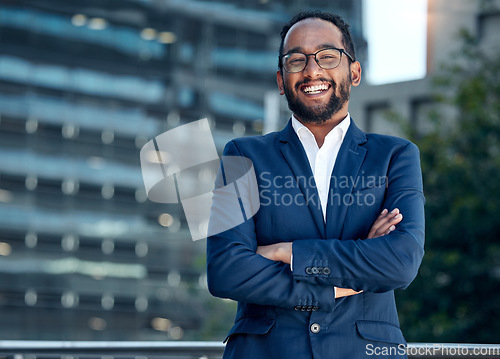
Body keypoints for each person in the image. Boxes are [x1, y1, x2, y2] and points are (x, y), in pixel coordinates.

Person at [206, 10, 425, 359]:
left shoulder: (396, 156)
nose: (312, 70)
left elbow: (400, 261)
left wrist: (287, 252)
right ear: (281, 81)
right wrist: (340, 284)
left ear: (353, 72)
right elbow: (225, 272)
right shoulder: (242, 154)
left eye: (327, 56)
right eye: (297, 60)